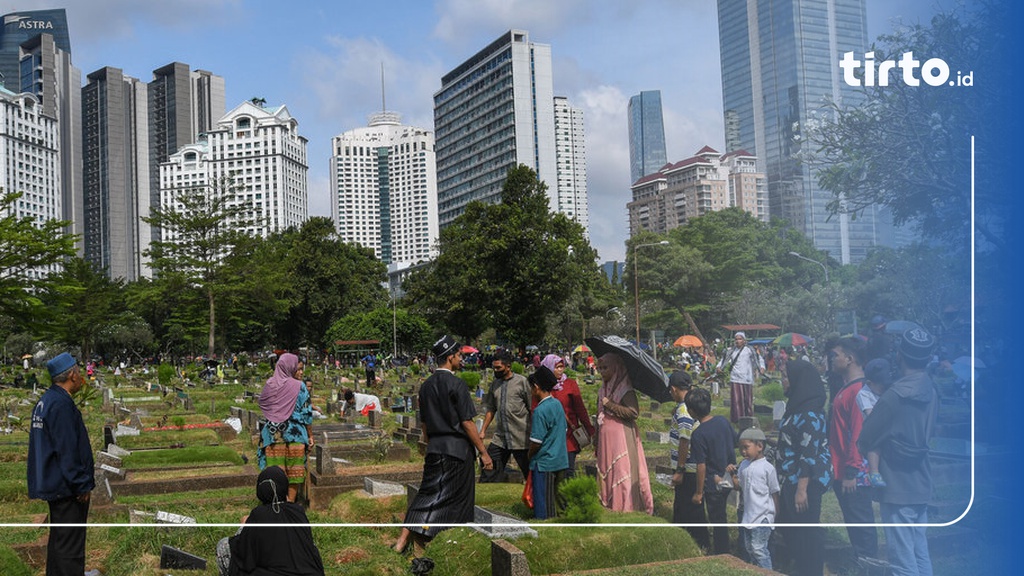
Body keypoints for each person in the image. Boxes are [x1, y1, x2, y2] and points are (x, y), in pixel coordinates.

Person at [394, 336, 493, 559]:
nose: (461, 359)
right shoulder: (456, 384)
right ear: (450, 358)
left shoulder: (427, 385)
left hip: (436, 447)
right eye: (459, 356)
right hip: (457, 450)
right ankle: (451, 540)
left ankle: (402, 541)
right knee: (458, 499)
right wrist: (483, 452)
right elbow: (467, 423)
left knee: (427, 493)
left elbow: (425, 424)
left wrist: (431, 446)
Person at [858, 328, 939, 576]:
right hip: (921, 481)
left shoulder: (894, 396)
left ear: (899, 356)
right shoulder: (932, 390)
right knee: (919, 552)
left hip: (896, 486)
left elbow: (865, 439)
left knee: (902, 561)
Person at [27, 352, 95, 576]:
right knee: (70, 548)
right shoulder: (61, 405)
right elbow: (67, 450)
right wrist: (81, 484)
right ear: (72, 375)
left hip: (54, 483)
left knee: (59, 543)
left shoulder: (47, 400)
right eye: (79, 371)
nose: (81, 375)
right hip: (66, 487)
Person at [775, 359, 832, 576]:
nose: (782, 381)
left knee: (807, 532)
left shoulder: (810, 413)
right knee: (791, 529)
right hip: (790, 478)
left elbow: (809, 453)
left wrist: (801, 490)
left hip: (804, 482)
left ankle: (812, 570)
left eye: (785, 377)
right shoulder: (797, 407)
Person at [216, 466, 325, 576]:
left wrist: (244, 526)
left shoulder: (258, 514)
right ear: (284, 487)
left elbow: (245, 553)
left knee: (223, 545)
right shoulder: (298, 511)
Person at [827, 337, 879, 563]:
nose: (831, 359)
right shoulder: (846, 389)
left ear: (849, 359)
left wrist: (851, 472)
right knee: (854, 525)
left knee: (862, 526)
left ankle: (870, 566)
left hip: (854, 474)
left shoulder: (858, 391)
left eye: (835, 355)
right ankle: (861, 563)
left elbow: (859, 436)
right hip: (844, 469)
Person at [595, 352, 654, 514]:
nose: (602, 372)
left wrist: (611, 405)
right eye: (600, 368)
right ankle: (609, 503)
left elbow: (634, 412)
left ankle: (625, 506)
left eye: (605, 368)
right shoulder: (603, 390)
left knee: (622, 471)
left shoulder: (625, 389)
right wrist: (596, 441)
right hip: (606, 440)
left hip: (622, 438)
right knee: (608, 470)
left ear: (615, 368)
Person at [257, 353, 313, 503]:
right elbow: (306, 412)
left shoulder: (270, 384)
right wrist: (310, 435)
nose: (300, 371)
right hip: (295, 434)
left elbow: (263, 404)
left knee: (275, 472)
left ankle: (276, 503)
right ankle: (289, 504)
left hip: (272, 434)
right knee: (294, 472)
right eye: (297, 368)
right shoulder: (299, 386)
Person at [685, 386, 735, 555]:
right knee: (722, 516)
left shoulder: (698, 434)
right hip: (730, 476)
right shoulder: (722, 421)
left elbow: (701, 465)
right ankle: (724, 549)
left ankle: (722, 552)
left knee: (718, 518)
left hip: (713, 483)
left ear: (691, 411)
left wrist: (699, 492)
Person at [727, 427, 779, 570]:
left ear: (760, 446)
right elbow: (739, 487)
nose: (743, 451)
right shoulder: (744, 465)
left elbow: (774, 493)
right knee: (750, 548)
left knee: (759, 549)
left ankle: (768, 572)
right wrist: (732, 475)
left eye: (746, 447)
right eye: (740, 448)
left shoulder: (768, 468)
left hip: (763, 516)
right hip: (748, 516)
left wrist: (774, 515)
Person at [667, 370, 706, 548]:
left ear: (674, 389)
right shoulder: (685, 407)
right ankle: (694, 543)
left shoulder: (683, 410)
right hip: (690, 468)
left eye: (670, 391)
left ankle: (693, 544)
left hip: (687, 469)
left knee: (686, 510)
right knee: (688, 509)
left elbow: (684, 440)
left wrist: (679, 470)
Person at [479, 351, 532, 482]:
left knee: (530, 473)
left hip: (521, 437)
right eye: (494, 368)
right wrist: (483, 430)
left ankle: (536, 499)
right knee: (489, 466)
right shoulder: (495, 385)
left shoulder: (522, 382)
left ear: (508, 366)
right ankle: (485, 496)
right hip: (501, 437)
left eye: (498, 368)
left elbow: (532, 408)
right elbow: (491, 408)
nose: (495, 371)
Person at [540, 353, 594, 477]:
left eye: (561, 367)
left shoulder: (570, 384)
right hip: (549, 436)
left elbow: (580, 408)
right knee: (550, 474)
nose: (560, 370)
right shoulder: (542, 387)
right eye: (556, 367)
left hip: (568, 436)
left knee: (568, 471)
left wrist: (590, 429)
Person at [527, 365, 569, 519]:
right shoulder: (557, 404)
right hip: (560, 459)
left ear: (536, 387)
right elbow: (563, 430)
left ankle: (545, 524)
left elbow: (536, 441)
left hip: (545, 462)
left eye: (531, 388)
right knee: (557, 498)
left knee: (544, 502)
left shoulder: (539, 410)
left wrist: (529, 455)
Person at [859, 358, 893, 487]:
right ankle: (874, 472)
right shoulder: (864, 394)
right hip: (872, 428)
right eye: (881, 386)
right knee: (874, 447)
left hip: (885, 427)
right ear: (869, 383)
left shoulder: (883, 391)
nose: (883, 389)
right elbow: (870, 414)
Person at [717, 332, 764, 423]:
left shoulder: (750, 350)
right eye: (736, 339)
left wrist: (762, 367)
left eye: (740, 339)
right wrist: (719, 367)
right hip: (735, 378)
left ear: (744, 340)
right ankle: (737, 419)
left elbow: (759, 359)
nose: (738, 341)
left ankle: (748, 419)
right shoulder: (731, 350)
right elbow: (724, 359)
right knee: (736, 400)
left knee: (747, 400)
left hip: (747, 378)